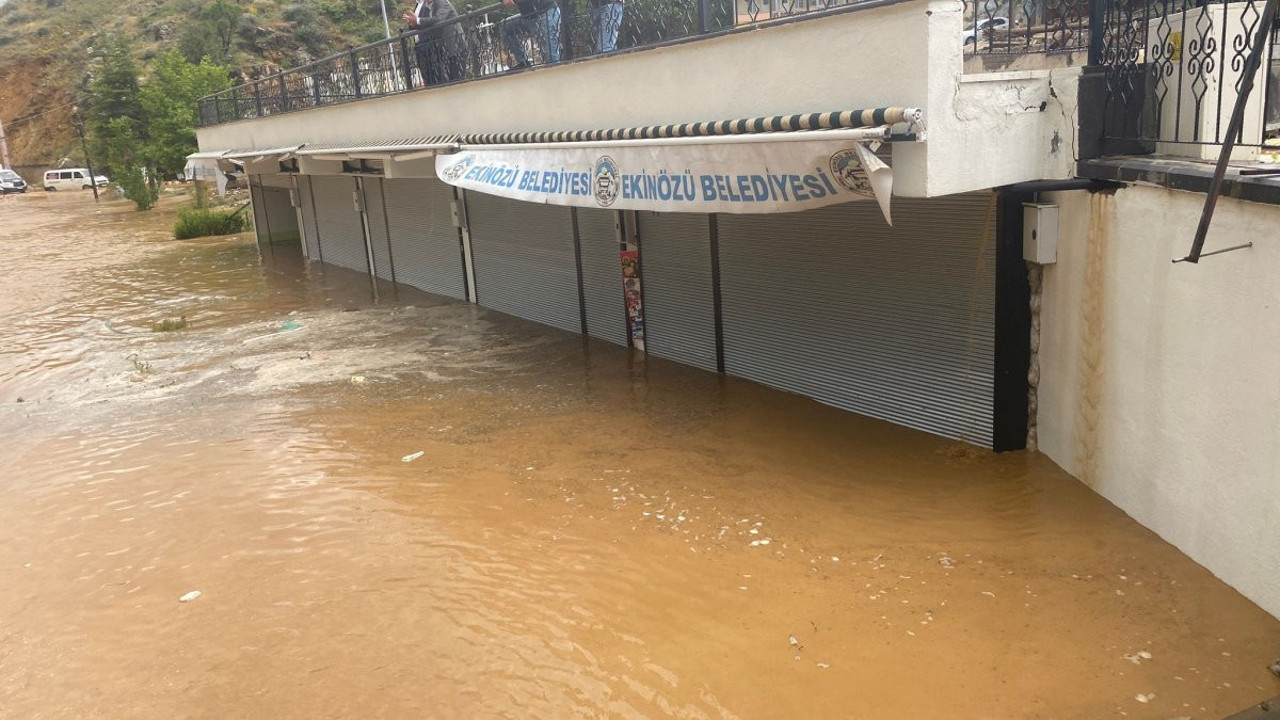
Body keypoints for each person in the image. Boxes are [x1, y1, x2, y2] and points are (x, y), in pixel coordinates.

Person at [402, 0, 467, 86]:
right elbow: (429, 24)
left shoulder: (442, 2)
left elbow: (438, 19)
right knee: (450, 83)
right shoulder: (430, 7)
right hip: (445, 50)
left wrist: (417, 20)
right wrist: (414, 24)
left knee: (457, 81)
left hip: (455, 47)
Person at [499, 0, 561, 69]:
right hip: (529, 16)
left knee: (551, 57)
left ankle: (556, 75)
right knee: (504, 26)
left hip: (547, 10)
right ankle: (523, 62)